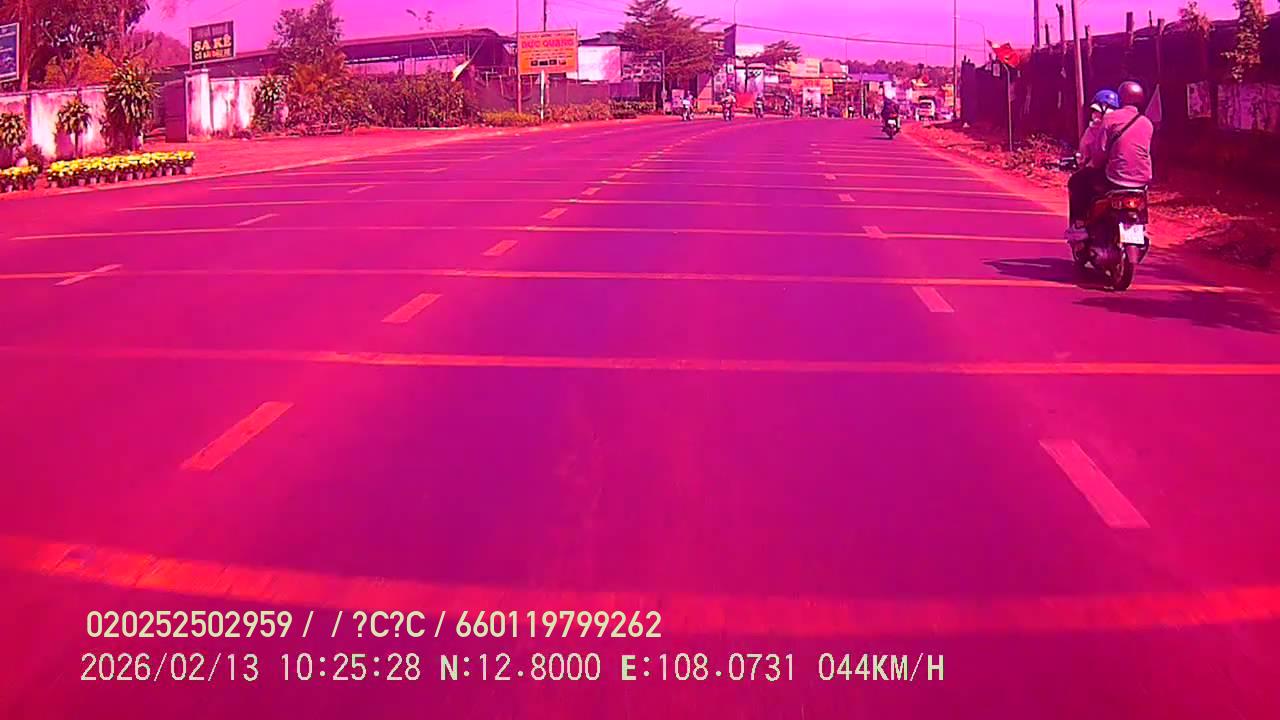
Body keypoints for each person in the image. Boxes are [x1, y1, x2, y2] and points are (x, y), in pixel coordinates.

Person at [1066, 83, 1154, 239]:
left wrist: (1095, 163)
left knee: (1076, 181)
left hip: (1115, 178)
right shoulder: (1147, 123)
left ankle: (1079, 226)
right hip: (1143, 180)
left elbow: (1099, 155)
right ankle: (1141, 226)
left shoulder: (1110, 119)